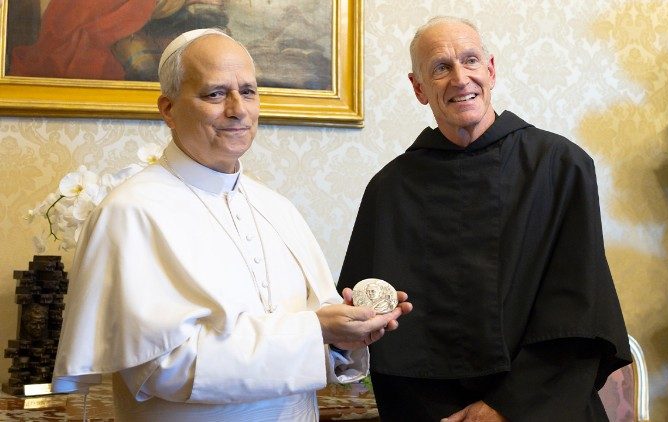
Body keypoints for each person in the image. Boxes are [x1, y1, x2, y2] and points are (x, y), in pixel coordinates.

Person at [52, 28, 411, 421]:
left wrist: (345, 334)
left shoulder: (277, 208)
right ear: (168, 109)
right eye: (215, 94)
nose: (238, 109)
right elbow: (161, 366)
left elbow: (318, 329)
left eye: (249, 91)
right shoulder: (130, 212)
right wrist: (315, 331)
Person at [338, 16, 631, 421]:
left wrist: (506, 408)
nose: (460, 79)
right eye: (441, 67)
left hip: (542, 409)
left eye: (470, 60)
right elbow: (376, 330)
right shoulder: (388, 190)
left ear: (490, 70)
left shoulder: (560, 166)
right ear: (418, 88)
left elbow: (579, 309)